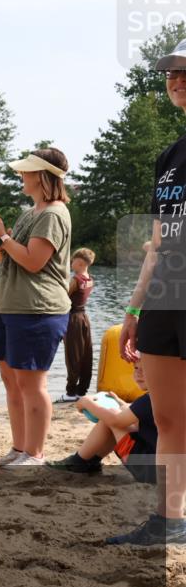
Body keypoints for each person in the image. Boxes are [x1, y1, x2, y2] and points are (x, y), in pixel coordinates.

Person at [111, 38, 186, 546]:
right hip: (166, 294)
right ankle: (170, 520)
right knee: (166, 415)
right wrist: (135, 307)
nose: (176, 80)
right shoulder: (170, 158)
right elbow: (160, 240)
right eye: (170, 74)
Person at [0, 147, 72, 467]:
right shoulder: (31, 212)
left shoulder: (53, 214)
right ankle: (19, 450)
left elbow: (34, 262)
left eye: (26, 171)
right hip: (11, 307)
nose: (21, 175)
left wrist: (3, 237)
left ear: (43, 176)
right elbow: (7, 258)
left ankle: (35, 454)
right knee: (12, 380)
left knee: (32, 384)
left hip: (38, 310)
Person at [47, 358, 155, 485]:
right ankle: (89, 462)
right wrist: (124, 404)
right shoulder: (169, 396)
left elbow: (115, 420)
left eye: (145, 369)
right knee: (117, 417)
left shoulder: (148, 400)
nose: (138, 373)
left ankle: (78, 462)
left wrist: (86, 403)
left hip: (149, 471)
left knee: (110, 418)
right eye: (136, 368)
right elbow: (143, 419)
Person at [58, 247, 96, 402]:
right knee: (86, 355)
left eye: (72, 260)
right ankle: (82, 390)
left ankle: (70, 393)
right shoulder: (90, 279)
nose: (71, 263)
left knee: (72, 355)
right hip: (84, 318)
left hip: (73, 319)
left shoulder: (76, 279)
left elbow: (62, 297)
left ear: (79, 263)